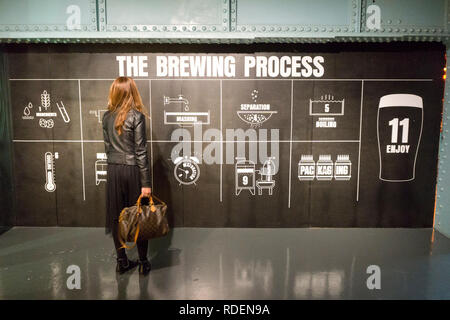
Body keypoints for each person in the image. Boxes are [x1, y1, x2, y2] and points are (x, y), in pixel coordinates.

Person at [102, 76, 152, 275]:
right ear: (132, 92)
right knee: (139, 216)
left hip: (113, 170)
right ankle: (143, 263)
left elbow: (107, 149)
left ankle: (121, 262)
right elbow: (141, 152)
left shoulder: (106, 117)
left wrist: (114, 167)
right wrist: (146, 183)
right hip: (132, 171)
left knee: (116, 217)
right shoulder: (136, 116)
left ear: (115, 92)